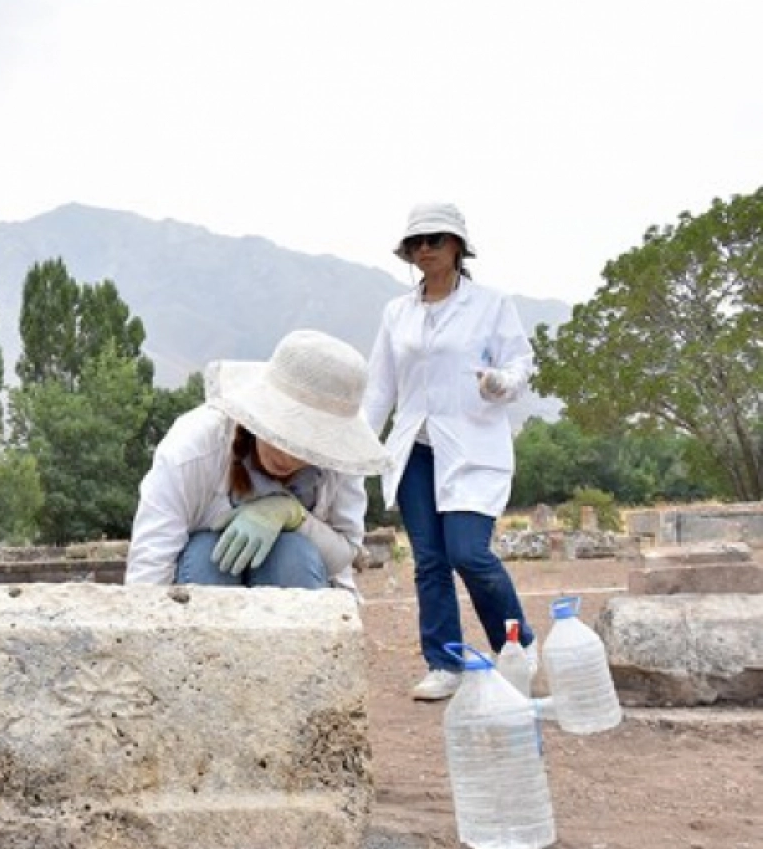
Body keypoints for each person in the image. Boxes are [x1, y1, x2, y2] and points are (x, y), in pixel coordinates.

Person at [363, 202, 536, 701]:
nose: (423, 250)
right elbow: (380, 388)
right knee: (430, 561)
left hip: (470, 445)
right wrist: (356, 446)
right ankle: (445, 662)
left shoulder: (491, 303)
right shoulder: (396, 312)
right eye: (415, 243)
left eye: (433, 240)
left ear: (458, 245)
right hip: (416, 447)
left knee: (468, 553)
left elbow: (520, 364)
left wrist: (501, 383)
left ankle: (516, 644)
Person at [126, 329, 390, 591]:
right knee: (207, 555)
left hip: (298, 579)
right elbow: (150, 568)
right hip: (203, 579)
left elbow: (344, 555)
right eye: (284, 432)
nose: (288, 456)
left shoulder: (338, 461)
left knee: (293, 553)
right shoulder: (191, 450)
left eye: (310, 445)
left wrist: (294, 516)